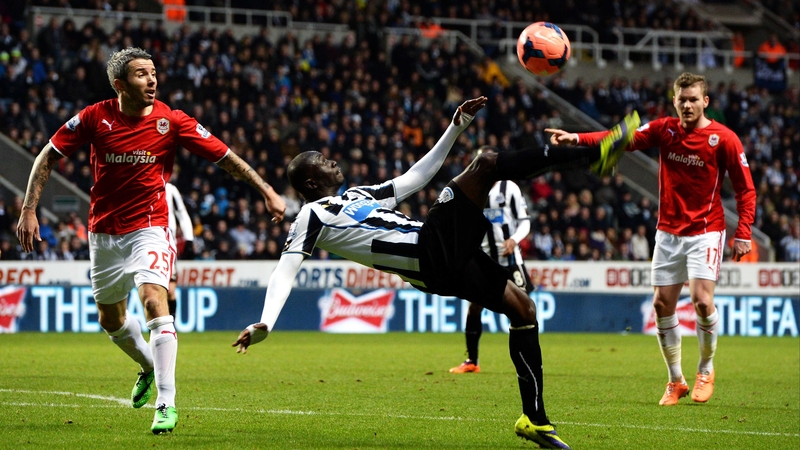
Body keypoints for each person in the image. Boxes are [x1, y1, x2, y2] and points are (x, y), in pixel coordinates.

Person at [232, 96, 639, 449]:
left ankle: (534, 419)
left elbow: (413, 178)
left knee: (524, 310)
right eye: (322, 161)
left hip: (444, 260)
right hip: (428, 252)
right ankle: (594, 155)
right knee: (485, 163)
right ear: (309, 180)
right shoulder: (310, 215)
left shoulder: (357, 195)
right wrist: (266, 322)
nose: (332, 160)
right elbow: (285, 270)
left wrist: (454, 127)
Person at [16, 47, 286, 434]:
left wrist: (266, 189)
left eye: (154, 72)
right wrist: (29, 209)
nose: (152, 79)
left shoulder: (171, 121)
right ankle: (145, 365)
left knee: (154, 301)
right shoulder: (95, 117)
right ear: (119, 84)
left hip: (151, 227)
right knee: (111, 321)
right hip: (104, 233)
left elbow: (224, 156)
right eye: (142, 74)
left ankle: (166, 401)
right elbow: (48, 155)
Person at [546, 72, 756, 406]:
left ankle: (705, 369)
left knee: (702, 300)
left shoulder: (725, 139)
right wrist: (578, 138)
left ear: (706, 102)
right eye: (681, 99)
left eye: (693, 99)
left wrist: (743, 231)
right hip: (668, 231)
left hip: (706, 230)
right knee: (661, 305)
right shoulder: (664, 129)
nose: (687, 105)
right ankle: (676, 380)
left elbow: (746, 189)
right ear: (674, 101)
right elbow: (621, 139)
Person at [450, 145, 533, 375]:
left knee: (525, 308)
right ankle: (472, 361)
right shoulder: (471, 189)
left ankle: (529, 361)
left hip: (510, 258)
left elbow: (525, 221)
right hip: (484, 259)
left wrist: (514, 240)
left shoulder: (510, 188)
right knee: (474, 307)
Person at [165, 181, 193, 318]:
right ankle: (157, 325)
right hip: (148, 243)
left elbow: (182, 212)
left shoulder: (170, 189)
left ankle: (171, 324)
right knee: (154, 290)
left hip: (168, 245)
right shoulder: (142, 186)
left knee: (170, 291)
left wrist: (189, 238)